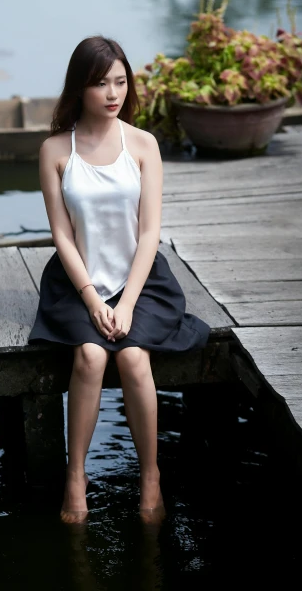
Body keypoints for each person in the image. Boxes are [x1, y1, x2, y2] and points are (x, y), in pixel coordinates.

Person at [28, 36, 211, 524]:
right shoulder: (54, 151)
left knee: (132, 356)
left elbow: (150, 232)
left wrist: (127, 304)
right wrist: (92, 299)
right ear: (79, 88)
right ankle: (75, 477)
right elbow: (62, 237)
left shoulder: (143, 144)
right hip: (78, 280)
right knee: (89, 355)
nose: (112, 93)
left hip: (141, 280)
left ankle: (150, 477)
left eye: (120, 81)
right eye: (100, 83)